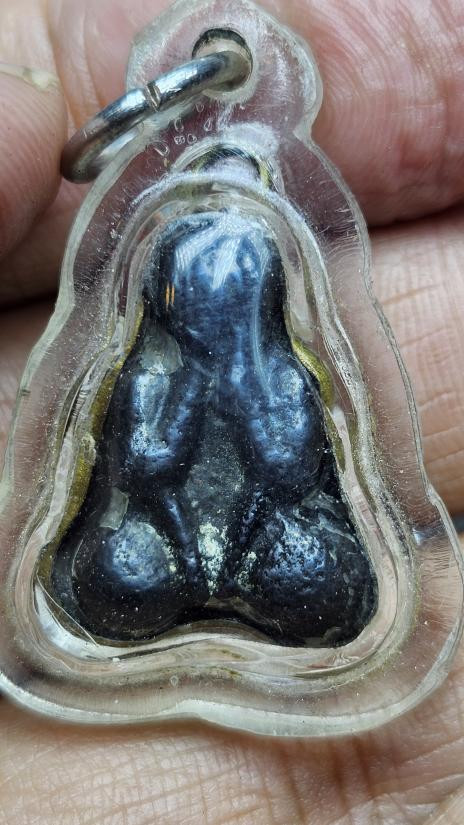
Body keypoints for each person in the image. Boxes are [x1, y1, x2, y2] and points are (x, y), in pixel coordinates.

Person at [0, 0, 463, 822]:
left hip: (267, 537)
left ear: (267, 295)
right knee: (119, 573)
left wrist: (249, 395)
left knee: (318, 577)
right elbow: (144, 468)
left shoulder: (284, 372)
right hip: (160, 540)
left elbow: (288, 468)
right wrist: (178, 427)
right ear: (162, 298)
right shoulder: (145, 374)